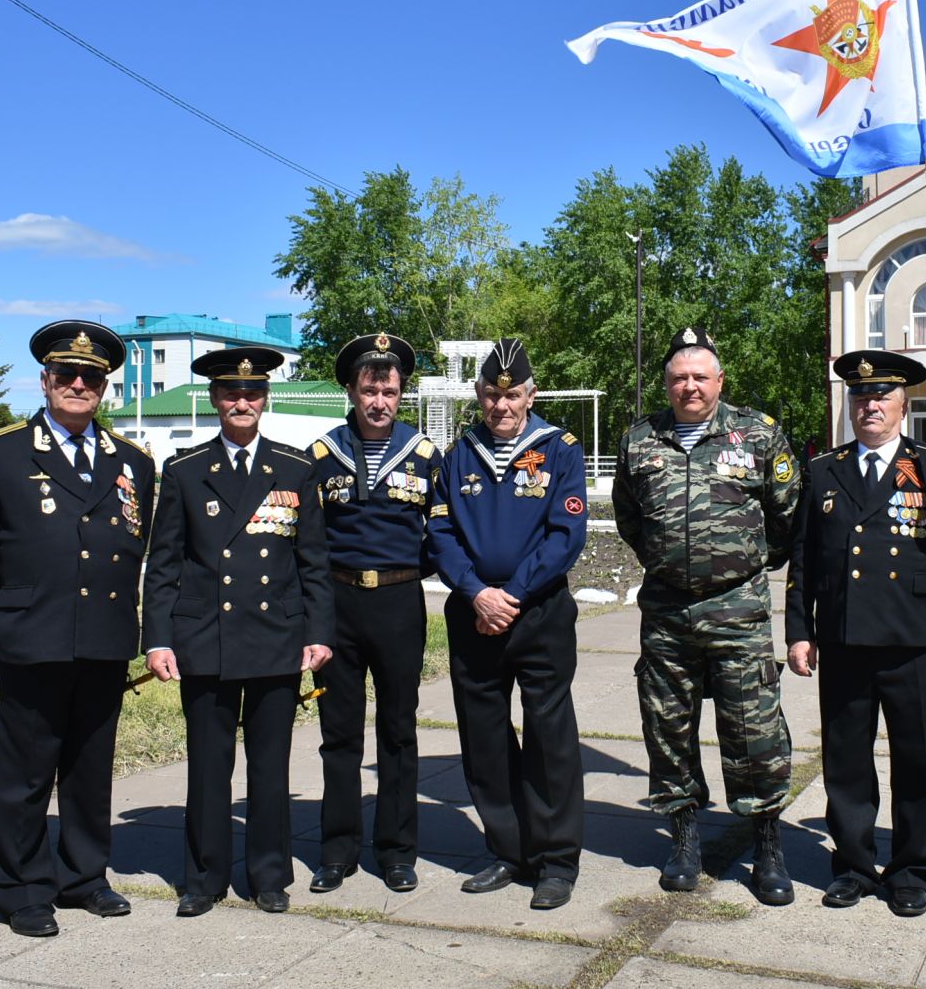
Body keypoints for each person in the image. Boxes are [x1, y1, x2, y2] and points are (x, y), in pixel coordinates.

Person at [0, 320, 157, 938]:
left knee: (92, 767)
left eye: (90, 377)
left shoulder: (133, 462)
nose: (77, 384)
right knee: (26, 772)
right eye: (65, 374)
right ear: (44, 380)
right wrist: (10, 612)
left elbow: (137, 543)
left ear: (104, 387)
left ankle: (84, 877)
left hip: (104, 636)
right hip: (34, 637)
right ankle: (21, 887)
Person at [785, 350, 926, 915]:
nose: (869, 404)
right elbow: (805, 561)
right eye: (860, 396)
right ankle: (852, 865)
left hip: (912, 642)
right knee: (846, 762)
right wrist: (800, 631)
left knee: (916, 762)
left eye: (881, 396)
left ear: (903, 405)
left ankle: (912, 870)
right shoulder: (825, 470)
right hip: (847, 639)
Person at [614, 326, 802, 905]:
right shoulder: (640, 440)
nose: (689, 387)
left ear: (720, 381)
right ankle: (684, 838)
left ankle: (767, 844)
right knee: (668, 728)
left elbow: (786, 520)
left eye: (700, 376)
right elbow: (630, 520)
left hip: (739, 610)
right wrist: (670, 564)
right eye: (678, 378)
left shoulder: (760, 435)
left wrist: (736, 569)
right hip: (667, 613)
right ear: (665, 384)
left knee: (753, 731)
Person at [142, 346, 333, 917]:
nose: (241, 401)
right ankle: (203, 878)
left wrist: (319, 632)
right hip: (205, 639)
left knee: (270, 768)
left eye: (251, 393)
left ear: (265, 400)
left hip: (276, 637)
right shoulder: (183, 470)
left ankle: (269, 874)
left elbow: (313, 563)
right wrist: (158, 638)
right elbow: (166, 564)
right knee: (208, 766)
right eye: (230, 393)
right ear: (214, 399)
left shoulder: (296, 469)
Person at [426, 339, 588, 909]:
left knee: (549, 738)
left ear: (530, 394)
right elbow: (440, 533)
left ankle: (555, 860)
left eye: (513, 395)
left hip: (537, 613)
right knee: (485, 738)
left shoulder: (560, 449)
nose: (502, 406)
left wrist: (511, 595)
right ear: (478, 396)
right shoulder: (458, 454)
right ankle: (509, 850)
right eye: (492, 396)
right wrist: (476, 593)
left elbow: (566, 536)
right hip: (473, 615)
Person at [307, 332, 441, 895]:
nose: (380, 400)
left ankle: (397, 851)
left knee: (398, 731)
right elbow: (308, 542)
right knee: (338, 735)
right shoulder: (321, 455)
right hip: (337, 606)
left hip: (398, 604)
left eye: (389, 390)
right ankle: (337, 852)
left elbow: (444, 534)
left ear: (401, 392)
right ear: (351, 390)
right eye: (369, 389)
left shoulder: (427, 455)